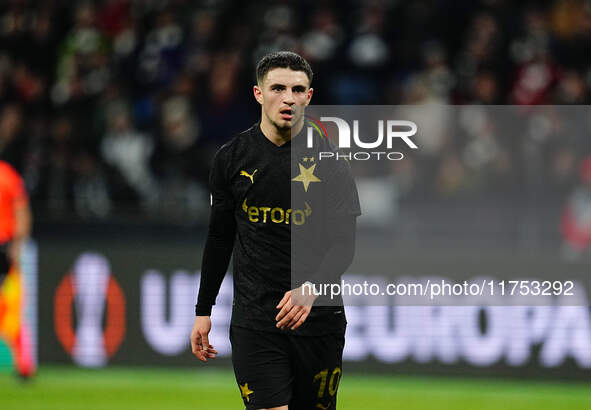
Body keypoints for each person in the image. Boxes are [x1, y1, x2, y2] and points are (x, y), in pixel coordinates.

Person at [190, 51, 360, 410]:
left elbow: (344, 246)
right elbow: (220, 238)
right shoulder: (231, 158)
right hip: (256, 320)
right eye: (278, 88)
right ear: (258, 93)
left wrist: (311, 289)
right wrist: (203, 308)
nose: (288, 98)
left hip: (319, 321)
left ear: (309, 97)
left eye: (298, 90)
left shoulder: (331, 163)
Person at [0, 159, 35, 379]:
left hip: (4, 249)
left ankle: (24, 364)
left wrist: (16, 246)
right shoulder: (7, 174)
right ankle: (24, 364)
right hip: (6, 248)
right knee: (11, 308)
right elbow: (22, 212)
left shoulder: (6, 175)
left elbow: (21, 211)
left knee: (11, 308)